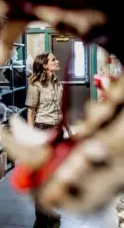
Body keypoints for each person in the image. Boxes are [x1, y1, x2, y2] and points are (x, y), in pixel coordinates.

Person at [25, 52, 72, 228]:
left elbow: (62, 110)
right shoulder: (35, 85)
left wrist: (69, 130)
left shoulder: (58, 84)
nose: (57, 60)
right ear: (44, 65)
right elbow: (30, 113)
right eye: (53, 59)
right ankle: (42, 215)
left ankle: (51, 210)